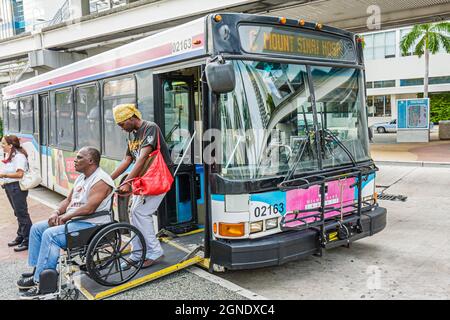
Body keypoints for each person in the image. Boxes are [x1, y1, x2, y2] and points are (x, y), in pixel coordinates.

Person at [17, 147, 115, 299]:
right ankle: (39, 271)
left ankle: (41, 284)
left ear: (90, 161)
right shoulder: (81, 177)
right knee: (37, 229)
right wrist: (56, 212)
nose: (75, 160)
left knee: (51, 235)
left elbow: (90, 208)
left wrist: (66, 216)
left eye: (79, 158)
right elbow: (68, 200)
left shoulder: (101, 180)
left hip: (92, 225)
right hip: (76, 220)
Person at [110, 104, 173, 269]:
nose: (122, 129)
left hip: (159, 177)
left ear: (131, 118)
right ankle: (137, 253)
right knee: (134, 213)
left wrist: (127, 182)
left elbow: (143, 158)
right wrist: (108, 180)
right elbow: (127, 160)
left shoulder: (150, 128)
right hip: (144, 179)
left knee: (141, 212)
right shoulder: (131, 135)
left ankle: (154, 251)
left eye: (122, 124)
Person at [0, 135, 32, 252]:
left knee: (22, 214)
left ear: (10, 145)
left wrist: (4, 175)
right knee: (17, 213)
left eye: (3, 144)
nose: (1, 146)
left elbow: (19, 174)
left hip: (17, 187)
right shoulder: (9, 155)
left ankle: (28, 240)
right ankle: (21, 236)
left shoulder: (19, 156)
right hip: (10, 187)